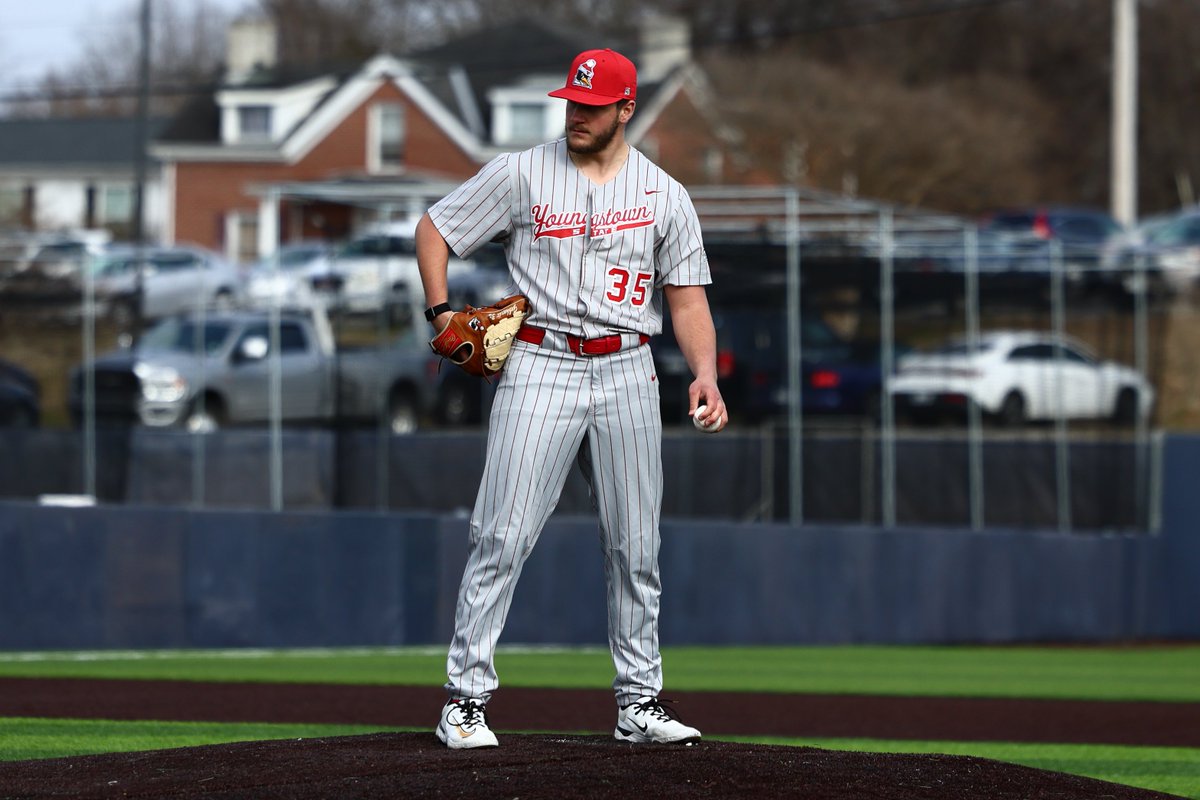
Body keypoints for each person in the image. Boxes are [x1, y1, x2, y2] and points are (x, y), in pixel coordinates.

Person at [416, 47, 727, 750]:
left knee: (635, 545)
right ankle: (465, 700)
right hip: (540, 362)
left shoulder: (663, 194)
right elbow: (435, 228)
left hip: (628, 371)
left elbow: (687, 298)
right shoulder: (522, 174)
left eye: (591, 105)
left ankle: (638, 702)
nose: (576, 114)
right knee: (502, 534)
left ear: (626, 109)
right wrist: (439, 312)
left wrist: (704, 373)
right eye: (571, 102)